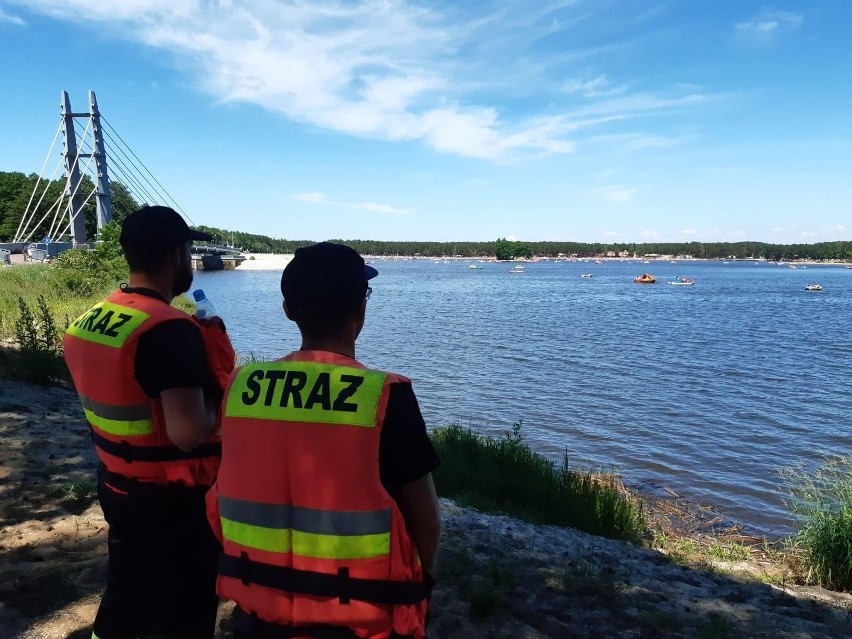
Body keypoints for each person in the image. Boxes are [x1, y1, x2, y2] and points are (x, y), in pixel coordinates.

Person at [207, 241, 441, 639]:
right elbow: (427, 521)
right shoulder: (386, 396)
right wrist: (419, 588)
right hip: (359, 618)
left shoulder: (242, 385)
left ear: (288, 310)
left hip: (259, 609)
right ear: (360, 310)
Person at [63, 205, 236, 639]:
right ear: (178, 255)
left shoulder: (94, 318)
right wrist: (226, 388)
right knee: (186, 610)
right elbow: (188, 433)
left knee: (127, 592)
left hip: (117, 483)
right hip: (173, 497)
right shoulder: (170, 330)